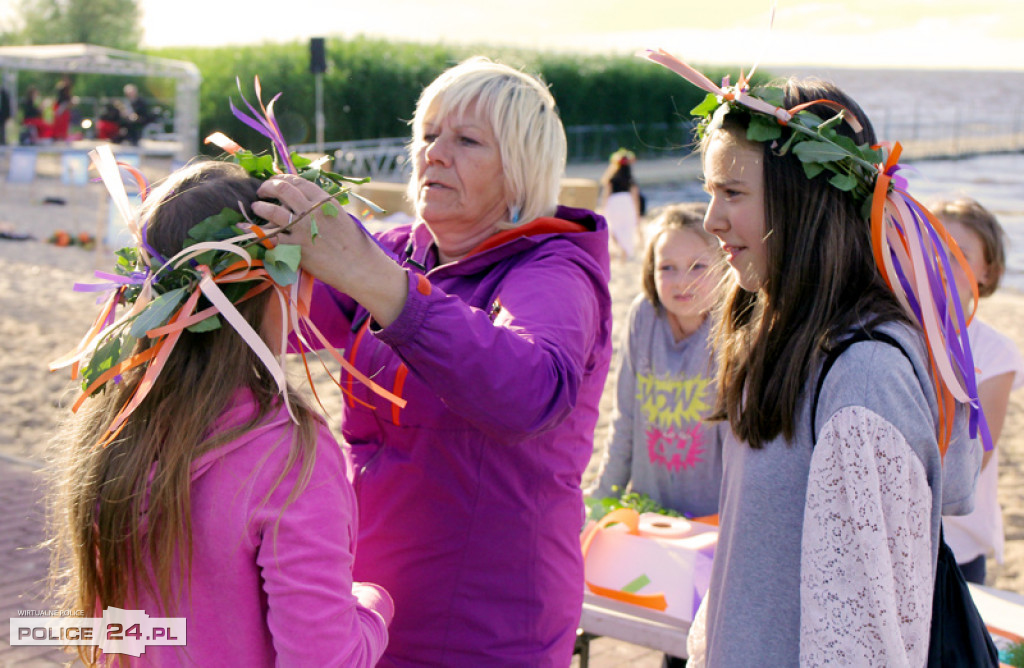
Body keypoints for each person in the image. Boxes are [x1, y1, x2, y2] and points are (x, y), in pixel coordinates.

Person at [251, 56, 613, 666]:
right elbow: (279, 322)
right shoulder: (402, 254)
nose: (434, 153)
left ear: (522, 167)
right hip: (368, 603)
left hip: (487, 628)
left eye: (467, 140)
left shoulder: (554, 271)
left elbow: (530, 389)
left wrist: (379, 282)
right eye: (427, 135)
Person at [643, 52, 983, 665]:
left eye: (733, 192)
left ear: (804, 203)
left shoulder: (863, 375)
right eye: (709, 192)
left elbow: (866, 641)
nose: (712, 219)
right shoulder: (776, 336)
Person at [48, 160, 394, 667]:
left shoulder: (112, 428)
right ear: (281, 289)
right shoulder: (288, 456)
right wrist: (371, 607)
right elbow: (325, 658)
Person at [590, 202, 724, 520]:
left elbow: (741, 447)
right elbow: (625, 420)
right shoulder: (644, 315)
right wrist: (602, 499)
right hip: (649, 512)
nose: (682, 281)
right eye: (667, 267)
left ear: (724, 266)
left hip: (712, 519)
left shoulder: (731, 328)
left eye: (698, 267)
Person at [934, 196, 1024, 585]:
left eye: (956, 254)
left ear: (987, 272)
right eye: (929, 246)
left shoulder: (994, 352)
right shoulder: (893, 334)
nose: (937, 261)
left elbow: (978, 457)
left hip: (956, 545)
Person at [600, 148, 643, 259]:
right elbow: (635, 197)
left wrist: (603, 208)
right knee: (626, 229)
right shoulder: (630, 179)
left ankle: (620, 248)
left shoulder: (611, 178)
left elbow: (606, 194)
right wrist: (637, 213)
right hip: (626, 203)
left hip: (614, 203)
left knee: (614, 228)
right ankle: (624, 251)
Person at [51, 75, 73, 141]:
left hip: (65, 108)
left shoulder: (68, 88)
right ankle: (56, 135)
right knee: (58, 121)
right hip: (60, 106)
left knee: (64, 122)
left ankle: (63, 135)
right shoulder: (61, 87)